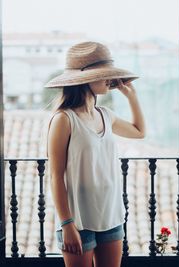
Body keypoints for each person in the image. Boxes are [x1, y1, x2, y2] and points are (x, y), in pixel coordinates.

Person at [45, 41, 146, 267]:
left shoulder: (106, 115)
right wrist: (67, 224)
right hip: (78, 220)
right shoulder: (64, 119)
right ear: (85, 80)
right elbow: (55, 176)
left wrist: (131, 96)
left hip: (111, 216)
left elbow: (139, 132)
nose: (109, 79)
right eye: (104, 74)